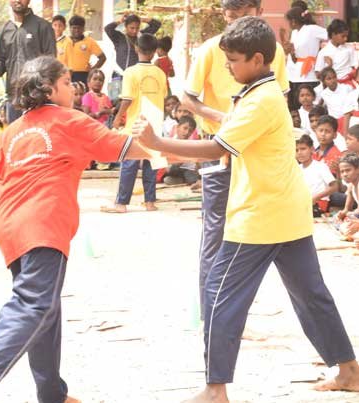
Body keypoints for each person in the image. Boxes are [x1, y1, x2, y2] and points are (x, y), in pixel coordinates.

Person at [133, 17, 359, 402]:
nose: (226, 68)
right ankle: (350, 371)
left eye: (233, 61)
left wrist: (160, 142)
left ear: (257, 59)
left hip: (259, 217)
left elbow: (219, 147)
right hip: (286, 212)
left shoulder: (262, 99)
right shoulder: (260, 92)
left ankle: (215, 388)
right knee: (311, 296)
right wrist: (199, 127)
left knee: (219, 295)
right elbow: (236, 125)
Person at [0, 55, 151, 403]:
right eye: (67, 83)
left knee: (46, 307)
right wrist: (192, 150)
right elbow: (129, 148)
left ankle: (52, 394)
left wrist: (14, 206)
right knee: (34, 304)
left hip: (11, 225)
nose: (73, 91)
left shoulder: (13, 130)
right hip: (43, 225)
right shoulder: (71, 121)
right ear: (49, 89)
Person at [182, 0, 289, 320]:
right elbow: (188, 96)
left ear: (257, 12)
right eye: (230, 18)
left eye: (242, 16)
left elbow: (279, 98)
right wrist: (219, 116)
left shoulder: (274, 51)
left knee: (270, 236)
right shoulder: (210, 50)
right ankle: (210, 312)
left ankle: (231, 309)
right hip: (220, 152)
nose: (235, 24)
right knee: (216, 234)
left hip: (260, 157)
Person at [101, 33, 167, 213]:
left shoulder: (131, 72)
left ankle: (121, 204)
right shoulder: (160, 73)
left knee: (129, 162)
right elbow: (164, 97)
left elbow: (127, 99)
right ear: (154, 52)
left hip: (136, 123)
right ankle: (150, 202)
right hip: (154, 122)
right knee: (151, 162)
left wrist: (118, 117)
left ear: (136, 48)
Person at [0, 0, 56, 124]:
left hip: (37, 95)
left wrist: (43, 89)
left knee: (37, 137)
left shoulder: (43, 26)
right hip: (14, 97)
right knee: (16, 139)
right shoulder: (4, 30)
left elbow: (50, 62)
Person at [284, 6, 327, 110]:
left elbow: (330, 35)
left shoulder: (312, 29)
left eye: (289, 21)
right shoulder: (294, 33)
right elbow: (294, 54)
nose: (288, 24)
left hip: (309, 74)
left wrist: (324, 53)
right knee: (294, 107)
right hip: (294, 73)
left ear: (293, 21)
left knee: (310, 106)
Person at [104, 13, 161, 79]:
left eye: (137, 28)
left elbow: (157, 24)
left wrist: (142, 19)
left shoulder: (142, 36)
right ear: (125, 26)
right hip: (119, 74)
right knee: (115, 89)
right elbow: (107, 28)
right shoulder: (119, 37)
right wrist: (120, 21)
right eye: (132, 28)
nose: (134, 31)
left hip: (137, 75)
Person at [296, 134, 338, 216]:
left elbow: (334, 186)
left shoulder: (320, 166)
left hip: (318, 205)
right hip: (302, 204)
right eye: (296, 150)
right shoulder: (297, 168)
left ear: (312, 149)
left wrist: (315, 198)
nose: (300, 153)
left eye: (303, 149)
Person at [315, 19, 357, 88]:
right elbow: (318, 75)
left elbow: (355, 68)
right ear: (333, 34)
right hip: (331, 86)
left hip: (348, 85)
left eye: (347, 36)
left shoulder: (349, 48)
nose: (346, 39)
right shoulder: (323, 52)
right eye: (343, 36)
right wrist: (329, 66)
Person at [67, 15, 106, 87]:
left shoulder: (89, 41)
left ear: (83, 29)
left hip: (83, 75)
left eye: (79, 28)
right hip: (66, 75)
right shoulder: (64, 41)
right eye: (74, 28)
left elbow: (102, 57)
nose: (76, 30)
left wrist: (92, 70)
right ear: (70, 28)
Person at [164, 115, 200, 185]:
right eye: (185, 128)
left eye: (190, 131)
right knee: (169, 174)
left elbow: (194, 164)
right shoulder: (170, 142)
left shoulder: (191, 144)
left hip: (188, 169)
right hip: (174, 168)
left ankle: (184, 180)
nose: (186, 132)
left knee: (191, 177)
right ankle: (183, 180)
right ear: (177, 127)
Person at [318, 66, 352, 132]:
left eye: (334, 77)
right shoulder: (324, 94)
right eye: (329, 79)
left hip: (348, 120)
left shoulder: (346, 88)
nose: (332, 81)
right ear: (323, 81)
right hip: (334, 123)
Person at [336, 153, 359, 242]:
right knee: (342, 221)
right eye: (342, 171)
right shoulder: (351, 186)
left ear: (357, 170)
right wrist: (342, 214)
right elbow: (346, 210)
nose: (345, 174)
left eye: (348, 170)